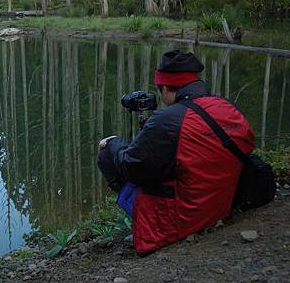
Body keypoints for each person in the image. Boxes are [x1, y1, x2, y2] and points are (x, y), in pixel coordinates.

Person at [97, 50, 255, 254]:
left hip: (184, 218)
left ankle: (142, 216)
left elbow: (132, 167)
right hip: (221, 204)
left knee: (107, 155)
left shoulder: (168, 119)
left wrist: (113, 142)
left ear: (165, 88)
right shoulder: (227, 107)